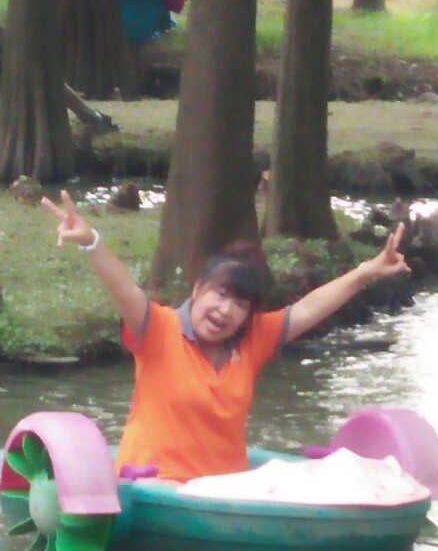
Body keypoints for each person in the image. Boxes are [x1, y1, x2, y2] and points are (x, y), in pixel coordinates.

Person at [41, 191, 409, 482]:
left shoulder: (252, 338)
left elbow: (308, 309)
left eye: (240, 303)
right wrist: (91, 242)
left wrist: (365, 272)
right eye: (220, 294)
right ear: (198, 289)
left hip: (224, 491)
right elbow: (124, 289)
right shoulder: (158, 329)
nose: (225, 310)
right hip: (154, 482)